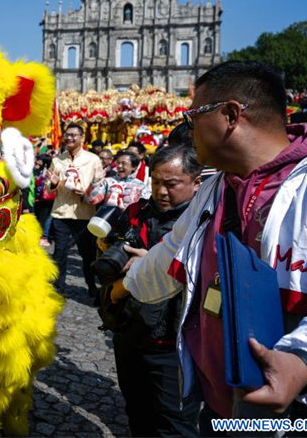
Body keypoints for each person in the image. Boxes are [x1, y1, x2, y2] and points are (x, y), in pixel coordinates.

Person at [112, 61, 307, 432]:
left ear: (230, 115)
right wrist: (122, 288)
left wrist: (305, 360)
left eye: (193, 114)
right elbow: (171, 254)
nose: (186, 127)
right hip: (218, 406)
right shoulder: (216, 187)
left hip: (298, 413)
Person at [95, 144, 203, 436]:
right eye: (155, 182)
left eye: (171, 184)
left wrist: (152, 264)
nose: (161, 192)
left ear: (197, 182)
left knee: (174, 424)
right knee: (137, 412)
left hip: (174, 346)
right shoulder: (134, 212)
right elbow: (104, 269)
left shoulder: (202, 223)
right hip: (129, 332)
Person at [45, 123, 104, 296]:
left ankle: (91, 286)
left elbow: (100, 186)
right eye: (67, 135)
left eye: (73, 135)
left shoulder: (93, 159)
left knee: (87, 254)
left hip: (84, 213)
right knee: (60, 253)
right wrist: (55, 183)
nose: (69, 138)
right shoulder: (57, 160)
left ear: (81, 137)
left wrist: (86, 193)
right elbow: (48, 189)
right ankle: (58, 288)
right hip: (61, 212)